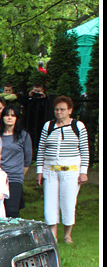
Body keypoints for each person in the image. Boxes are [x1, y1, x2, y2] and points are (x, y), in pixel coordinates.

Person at [36, 96, 89, 244]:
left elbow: (84, 150)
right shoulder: (48, 126)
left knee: (68, 202)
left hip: (71, 170)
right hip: (50, 169)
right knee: (50, 203)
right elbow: (41, 150)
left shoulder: (78, 126)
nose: (59, 112)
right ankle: (53, 235)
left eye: (62, 109)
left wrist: (83, 171)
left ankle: (67, 234)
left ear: (70, 110)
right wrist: (39, 171)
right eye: (57, 109)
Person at [0, 104, 32, 218]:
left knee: (12, 211)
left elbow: (28, 159)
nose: (9, 118)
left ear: (17, 118)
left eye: (13, 115)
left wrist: (19, 174)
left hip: (15, 178)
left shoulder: (23, 136)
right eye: (7, 115)